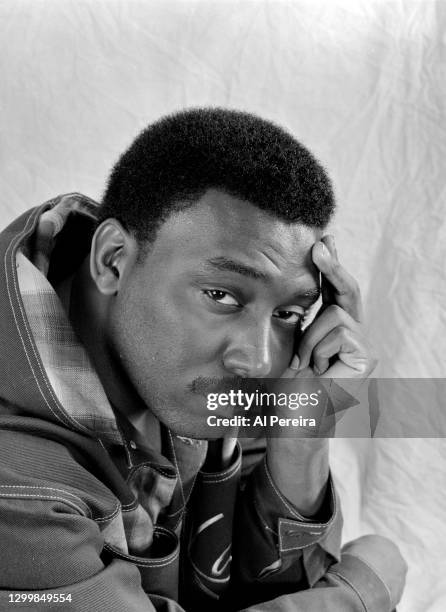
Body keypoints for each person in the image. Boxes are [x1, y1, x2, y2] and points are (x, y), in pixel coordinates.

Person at [0, 108, 406, 611]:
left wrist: (302, 441)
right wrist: (363, 591)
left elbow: (275, 582)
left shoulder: (200, 376)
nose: (257, 360)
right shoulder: (15, 483)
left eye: (288, 312)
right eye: (221, 295)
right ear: (112, 260)